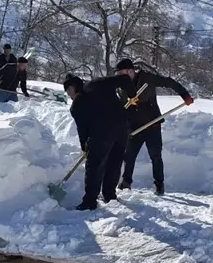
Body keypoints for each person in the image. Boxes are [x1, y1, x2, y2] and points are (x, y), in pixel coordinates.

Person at [113, 59, 194, 195]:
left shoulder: (147, 79)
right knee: (129, 155)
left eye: (122, 73)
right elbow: (121, 107)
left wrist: (185, 95)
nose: (120, 77)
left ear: (130, 71)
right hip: (134, 126)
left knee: (155, 156)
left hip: (152, 124)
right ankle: (126, 182)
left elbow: (169, 82)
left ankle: (159, 184)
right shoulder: (122, 88)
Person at [63, 71, 135, 211]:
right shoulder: (98, 83)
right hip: (121, 129)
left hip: (101, 134)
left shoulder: (76, 104)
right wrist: (132, 95)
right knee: (114, 162)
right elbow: (125, 79)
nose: (69, 96)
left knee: (94, 166)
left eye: (68, 92)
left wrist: (85, 147)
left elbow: (82, 130)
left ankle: (90, 202)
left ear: (71, 88)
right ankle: (109, 195)